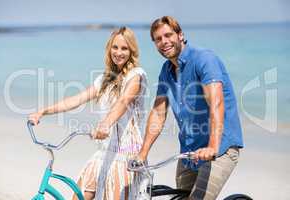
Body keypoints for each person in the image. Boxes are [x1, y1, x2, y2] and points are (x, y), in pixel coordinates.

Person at [29, 27, 147, 200]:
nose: (119, 52)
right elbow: (76, 99)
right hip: (104, 151)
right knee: (78, 196)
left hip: (126, 154)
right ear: (109, 49)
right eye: (115, 47)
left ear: (132, 51)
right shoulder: (104, 80)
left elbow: (123, 101)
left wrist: (105, 124)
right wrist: (43, 112)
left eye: (124, 48)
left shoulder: (136, 75)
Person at [134, 16, 244, 200]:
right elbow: (159, 113)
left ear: (180, 35)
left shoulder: (204, 59)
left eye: (168, 35)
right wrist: (142, 153)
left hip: (220, 148)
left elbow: (216, 103)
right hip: (189, 152)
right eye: (158, 39)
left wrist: (212, 147)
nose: (164, 42)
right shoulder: (166, 71)